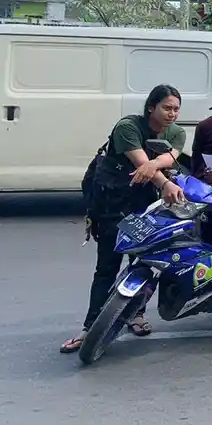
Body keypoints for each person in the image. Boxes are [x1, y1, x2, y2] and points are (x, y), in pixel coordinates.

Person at [61, 85, 187, 354]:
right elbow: (141, 162)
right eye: (167, 108)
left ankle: (136, 314)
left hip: (144, 205)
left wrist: (154, 164)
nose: (172, 114)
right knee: (107, 266)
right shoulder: (127, 127)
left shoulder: (176, 132)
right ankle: (88, 328)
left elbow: (170, 156)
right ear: (151, 107)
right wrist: (163, 180)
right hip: (112, 203)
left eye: (176, 109)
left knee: (143, 262)